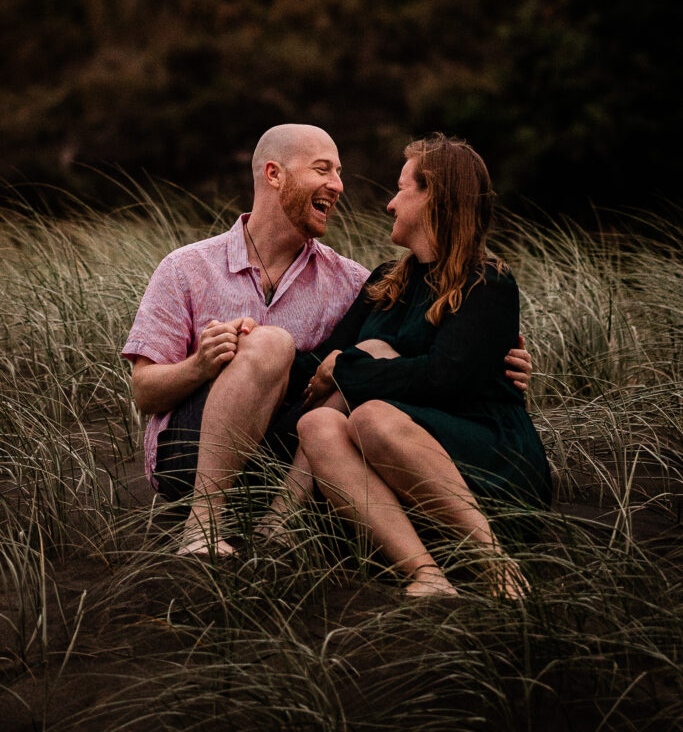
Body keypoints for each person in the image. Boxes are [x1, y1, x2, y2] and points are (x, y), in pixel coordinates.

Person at [123, 124, 533, 556]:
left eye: (339, 172)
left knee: (361, 355)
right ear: (274, 174)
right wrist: (208, 363)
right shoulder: (185, 268)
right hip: (194, 455)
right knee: (276, 345)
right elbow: (144, 392)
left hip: (287, 459)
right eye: (323, 170)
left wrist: (495, 361)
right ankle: (203, 525)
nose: (339, 186)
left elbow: (398, 362)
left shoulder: (356, 281)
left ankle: (282, 522)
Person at [263, 134, 551, 599]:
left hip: (486, 456)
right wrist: (245, 349)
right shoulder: (384, 281)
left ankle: (495, 562)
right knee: (319, 424)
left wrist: (349, 368)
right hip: (394, 455)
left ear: (433, 195)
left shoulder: (487, 283)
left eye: (401, 189)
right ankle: (427, 575)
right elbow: (318, 365)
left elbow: (444, 381)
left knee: (372, 409)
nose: (390, 204)